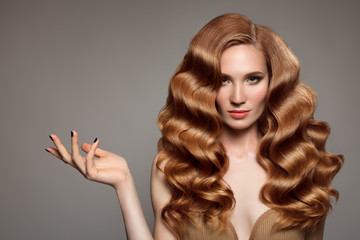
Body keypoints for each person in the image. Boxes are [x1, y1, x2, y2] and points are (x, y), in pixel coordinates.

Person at [45, 13, 343, 240]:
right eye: (223, 80)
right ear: (203, 85)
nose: (238, 97)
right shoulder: (174, 166)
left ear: (273, 82)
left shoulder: (302, 162)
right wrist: (123, 182)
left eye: (252, 78)